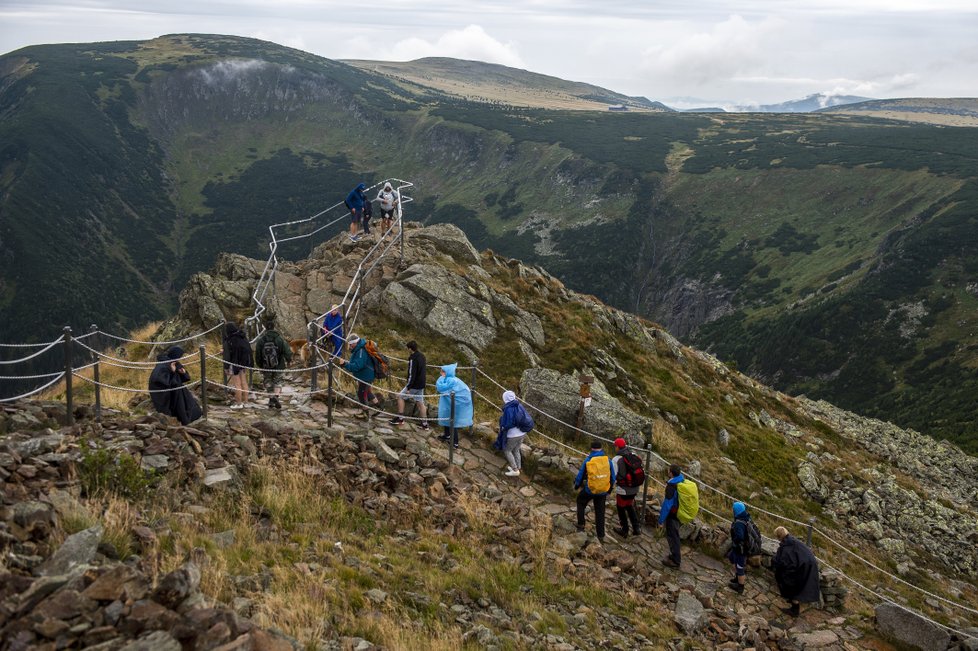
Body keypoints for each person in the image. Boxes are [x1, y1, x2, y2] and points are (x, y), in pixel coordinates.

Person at [773, 526, 821, 616]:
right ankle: (793, 603)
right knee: (797, 584)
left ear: (779, 537)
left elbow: (786, 564)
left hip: (803, 567)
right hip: (809, 564)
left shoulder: (786, 547)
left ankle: (794, 609)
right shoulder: (793, 541)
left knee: (793, 585)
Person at [148, 346, 202, 425]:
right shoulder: (162, 365)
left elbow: (182, 379)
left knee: (183, 394)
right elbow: (161, 381)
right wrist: (172, 372)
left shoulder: (174, 363)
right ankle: (183, 417)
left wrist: (183, 373)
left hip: (174, 388)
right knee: (179, 395)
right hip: (162, 392)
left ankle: (189, 416)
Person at [574, 441, 615, 542]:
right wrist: (609, 489)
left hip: (590, 490)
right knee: (600, 512)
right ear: (601, 448)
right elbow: (613, 477)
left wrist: (576, 485)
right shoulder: (608, 460)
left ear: (591, 448)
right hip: (603, 491)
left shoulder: (588, 460)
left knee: (580, 502)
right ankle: (600, 535)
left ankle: (581, 525)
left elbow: (580, 475)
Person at [254, 314, 291, 409]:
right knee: (278, 381)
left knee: (268, 382)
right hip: (279, 365)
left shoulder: (261, 340)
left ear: (265, 328)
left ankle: (271, 399)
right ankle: (276, 397)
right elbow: (287, 352)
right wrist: (288, 360)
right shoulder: (279, 339)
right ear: (274, 328)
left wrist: (260, 365)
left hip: (266, 366)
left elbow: (257, 355)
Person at [390, 340, 429, 429]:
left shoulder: (413, 358)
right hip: (421, 383)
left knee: (400, 397)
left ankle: (400, 418)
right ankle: (425, 424)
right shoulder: (422, 356)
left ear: (410, 349)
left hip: (414, 384)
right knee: (420, 403)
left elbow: (412, 373)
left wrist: (408, 387)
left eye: (408, 348)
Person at [339, 334, 381, 417]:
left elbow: (358, 366)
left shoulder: (361, 351)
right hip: (366, 374)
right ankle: (379, 407)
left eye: (351, 344)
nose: (350, 346)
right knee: (368, 392)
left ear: (355, 343)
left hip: (366, 376)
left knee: (361, 394)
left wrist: (345, 364)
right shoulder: (359, 348)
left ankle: (365, 413)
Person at [493, 390, 532, 477]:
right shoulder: (519, 404)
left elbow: (509, 423)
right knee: (516, 450)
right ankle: (518, 467)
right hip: (522, 433)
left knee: (507, 450)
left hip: (513, 435)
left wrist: (503, 427)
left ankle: (515, 470)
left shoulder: (508, 409)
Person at [435, 363, 472, 448]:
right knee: (446, 416)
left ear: (448, 372)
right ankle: (447, 435)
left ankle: (455, 443)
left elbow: (442, 389)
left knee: (452, 421)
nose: (441, 372)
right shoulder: (446, 379)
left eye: (443, 371)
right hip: (448, 402)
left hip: (456, 404)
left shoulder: (452, 381)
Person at [611, 437, 642, 538]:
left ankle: (624, 530)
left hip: (623, 489)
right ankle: (636, 528)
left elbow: (613, 476)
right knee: (629, 506)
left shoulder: (616, 459)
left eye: (614, 446)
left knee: (620, 508)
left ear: (617, 447)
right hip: (635, 487)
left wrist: (610, 488)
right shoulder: (633, 454)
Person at [657, 464, 686, 568]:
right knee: (675, 535)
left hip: (672, 514)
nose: (667, 472)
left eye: (669, 471)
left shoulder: (671, 486)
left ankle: (676, 560)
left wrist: (661, 520)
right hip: (679, 513)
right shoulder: (681, 481)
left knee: (673, 536)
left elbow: (667, 505)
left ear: (671, 473)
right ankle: (674, 555)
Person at [222, 322, 252, 409]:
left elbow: (227, 356)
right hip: (243, 363)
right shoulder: (242, 337)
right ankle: (246, 401)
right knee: (244, 382)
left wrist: (226, 367)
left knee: (237, 384)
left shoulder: (229, 340)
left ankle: (239, 403)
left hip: (234, 364)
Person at [727, 501, 754, 594]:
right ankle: (737, 578)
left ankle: (740, 587)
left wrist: (735, 539)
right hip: (741, 548)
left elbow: (740, 537)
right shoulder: (746, 518)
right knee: (732, 558)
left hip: (740, 549)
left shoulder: (739, 523)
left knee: (740, 566)